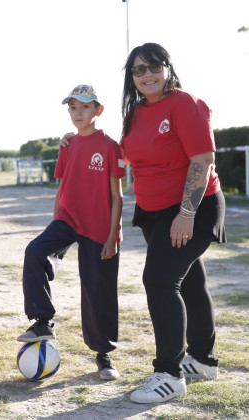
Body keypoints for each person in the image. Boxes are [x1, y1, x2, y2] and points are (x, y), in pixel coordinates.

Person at [117, 43, 225, 404]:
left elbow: (202, 159)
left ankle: (169, 374)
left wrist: (187, 214)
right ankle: (203, 361)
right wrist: (79, 137)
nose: (147, 75)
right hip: (153, 213)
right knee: (190, 281)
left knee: (160, 281)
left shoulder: (185, 103)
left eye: (154, 67)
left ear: (167, 68)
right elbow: (126, 154)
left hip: (192, 207)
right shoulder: (135, 112)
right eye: (138, 70)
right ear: (131, 78)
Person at [18, 85, 124, 381]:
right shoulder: (67, 145)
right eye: (73, 108)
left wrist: (112, 236)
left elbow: (118, 196)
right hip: (67, 220)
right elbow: (62, 187)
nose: (78, 113)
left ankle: (103, 355)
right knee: (35, 251)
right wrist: (55, 222)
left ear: (98, 110)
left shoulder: (109, 146)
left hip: (99, 226)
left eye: (85, 107)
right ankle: (42, 321)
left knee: (96, 290)